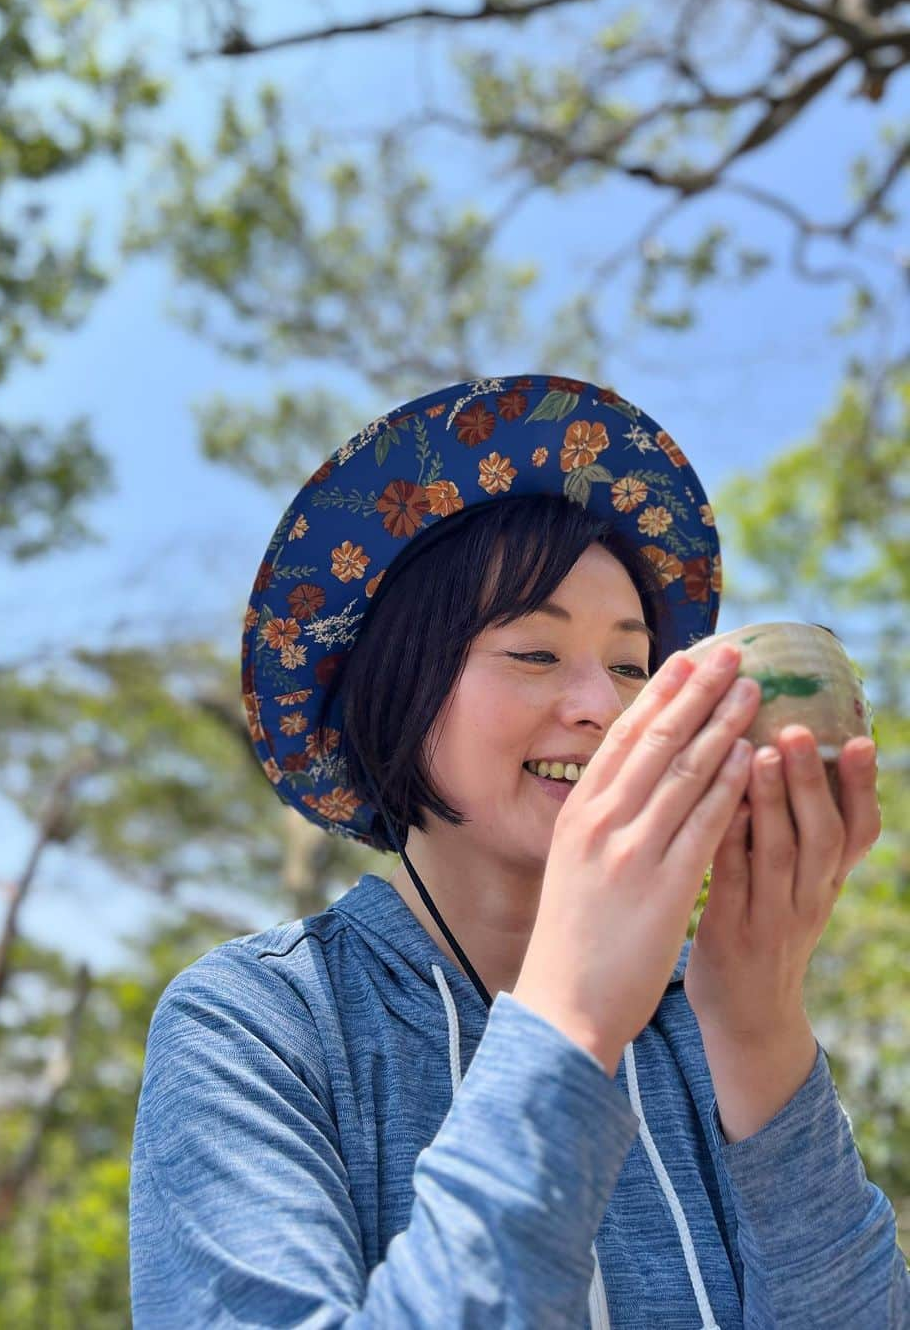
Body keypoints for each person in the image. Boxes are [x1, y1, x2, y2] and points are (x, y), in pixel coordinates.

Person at [129, 374, 908, 1327]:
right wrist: (569, 1021)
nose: (602, 706)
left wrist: (757, 1030)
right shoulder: (262, 1022)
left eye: (632, 666)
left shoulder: (698, 1020)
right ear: (400, 689)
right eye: (535, 653)